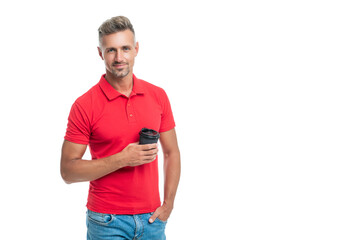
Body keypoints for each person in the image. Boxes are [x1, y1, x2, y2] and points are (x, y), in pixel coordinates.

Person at [60, 16, 181, 240]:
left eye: (125, 48)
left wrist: (169, 205)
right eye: (111, 50)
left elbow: (171, 152)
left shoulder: (158, 96)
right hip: (106, 221)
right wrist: (122, 159)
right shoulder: (84, 105)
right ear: (100, 53)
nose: (119, 57)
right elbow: (68, 171)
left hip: (153, 218)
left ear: (136, 49)